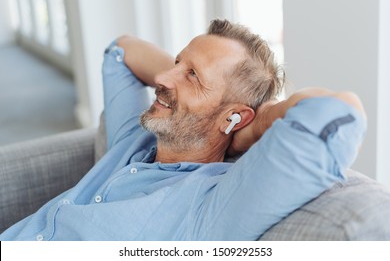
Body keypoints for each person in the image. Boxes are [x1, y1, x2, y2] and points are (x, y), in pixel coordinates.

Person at [0, 19, 366, 241]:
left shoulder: (215, 202)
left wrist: (256, 124)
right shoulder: (135, 139)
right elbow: (121, 51)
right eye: (177, 62)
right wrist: (183, 84)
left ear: (234, 117)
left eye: (193, 76)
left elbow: (336, 115)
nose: (160, 78)